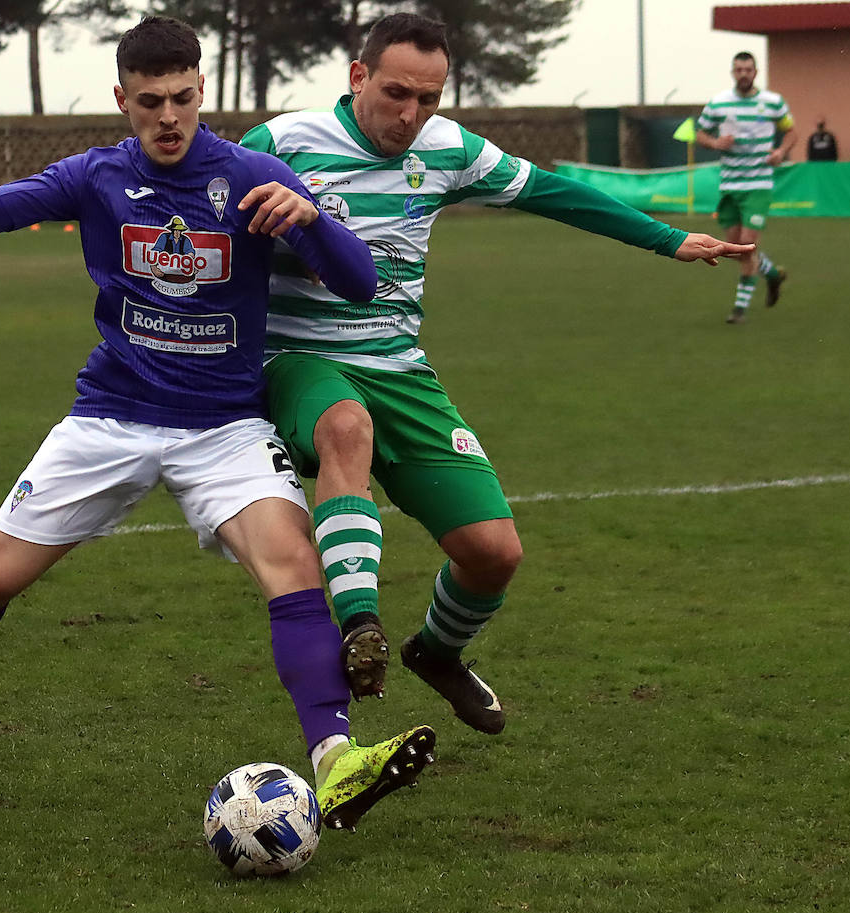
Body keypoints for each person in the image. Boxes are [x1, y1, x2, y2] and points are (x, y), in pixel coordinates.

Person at [0, 15, 434, 832]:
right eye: (150, 102)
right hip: (112, 415)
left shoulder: (256, 176)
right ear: (123, 99)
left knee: (294, 566)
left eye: (182, 98)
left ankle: (336, 762)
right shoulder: (95, 176)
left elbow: (360, 284)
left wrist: (313, 218)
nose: (169, 117)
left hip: (224, 425)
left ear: (202, 91)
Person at [240, 12, 753, 733]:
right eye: (395, 93)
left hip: (399, 367)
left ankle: (437, 652)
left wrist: (670, 240)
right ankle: (360, 629)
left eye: (428, 98)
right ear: (357, 77)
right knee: (345, 428)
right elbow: (207, 227)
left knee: (493, 554)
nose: (410, 114)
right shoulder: (283, 141)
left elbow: (555, 193)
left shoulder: (450, 149)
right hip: (300, 359)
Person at [695, 51, 797, 324]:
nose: (743, 74)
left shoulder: (773, 103)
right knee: (733, 249)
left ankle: (739, 310)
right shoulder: (718, 103)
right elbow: (700, 133)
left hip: (758, 184)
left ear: (756, 72)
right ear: (732, 72)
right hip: (730, 185)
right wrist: (715, 144)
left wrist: (781, 151)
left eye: (748, 69)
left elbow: (791, 132)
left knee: (746, 246)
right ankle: (772, 274)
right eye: (738, 69)